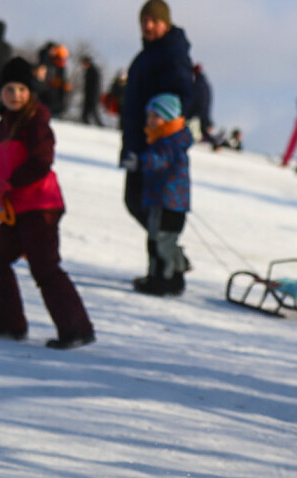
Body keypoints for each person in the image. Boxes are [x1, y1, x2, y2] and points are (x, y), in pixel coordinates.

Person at [0, 58, 94, 349]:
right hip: (17, 210)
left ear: (30, 92)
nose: (15, 95)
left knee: (44, 266)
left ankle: (77, 329)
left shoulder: (36, 121)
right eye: (9, 89)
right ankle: (8, 323)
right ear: (0, 93)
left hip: (41, 207)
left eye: (22, 89)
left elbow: (42, 162)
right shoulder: (2, 127)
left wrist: (9, 185)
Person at [121, 0, 193, 281]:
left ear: (166, 23)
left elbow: (182, 97)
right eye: (145, 21)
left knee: (150, 207)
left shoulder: (172, 54)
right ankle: (171, 257)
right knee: (137, 202)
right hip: (140, 139)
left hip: (156, 144)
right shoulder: (149, 54)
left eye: (154, 21)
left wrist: (163, 125)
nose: (149, 26)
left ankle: (168, 263)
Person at [132, 93, 191, 295]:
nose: (149, 121)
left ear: (168, 119)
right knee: (166, 241)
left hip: (166, 202)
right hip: (172, 202)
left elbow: (159, 160)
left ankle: (159, 281)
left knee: (158, 243)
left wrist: (139, 163)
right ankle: (175, 279)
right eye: (148, 116)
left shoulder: (168, 142)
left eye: (154, 116)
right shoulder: (173, 139)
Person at [186, 63, 219, 147]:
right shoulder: (204, 84)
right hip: (203, 111)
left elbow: (196, 100)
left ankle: (208, 139)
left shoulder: (197, 84)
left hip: (198, 112)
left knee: (197, 127)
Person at [37, 43, 71, 117]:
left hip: (55, 95)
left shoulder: (59, 66)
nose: (61, 61)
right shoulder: (47, 62)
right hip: (46, 92)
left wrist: (63, 84)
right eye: (59, 58)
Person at [78, 55, 103, 125]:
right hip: (89, 94)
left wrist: (94, 95)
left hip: (92, 95)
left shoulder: (93, 71)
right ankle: (86, 122)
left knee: (93, 110)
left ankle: (99, 124)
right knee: (87, 111)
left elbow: (95, 85)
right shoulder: (89, 71)